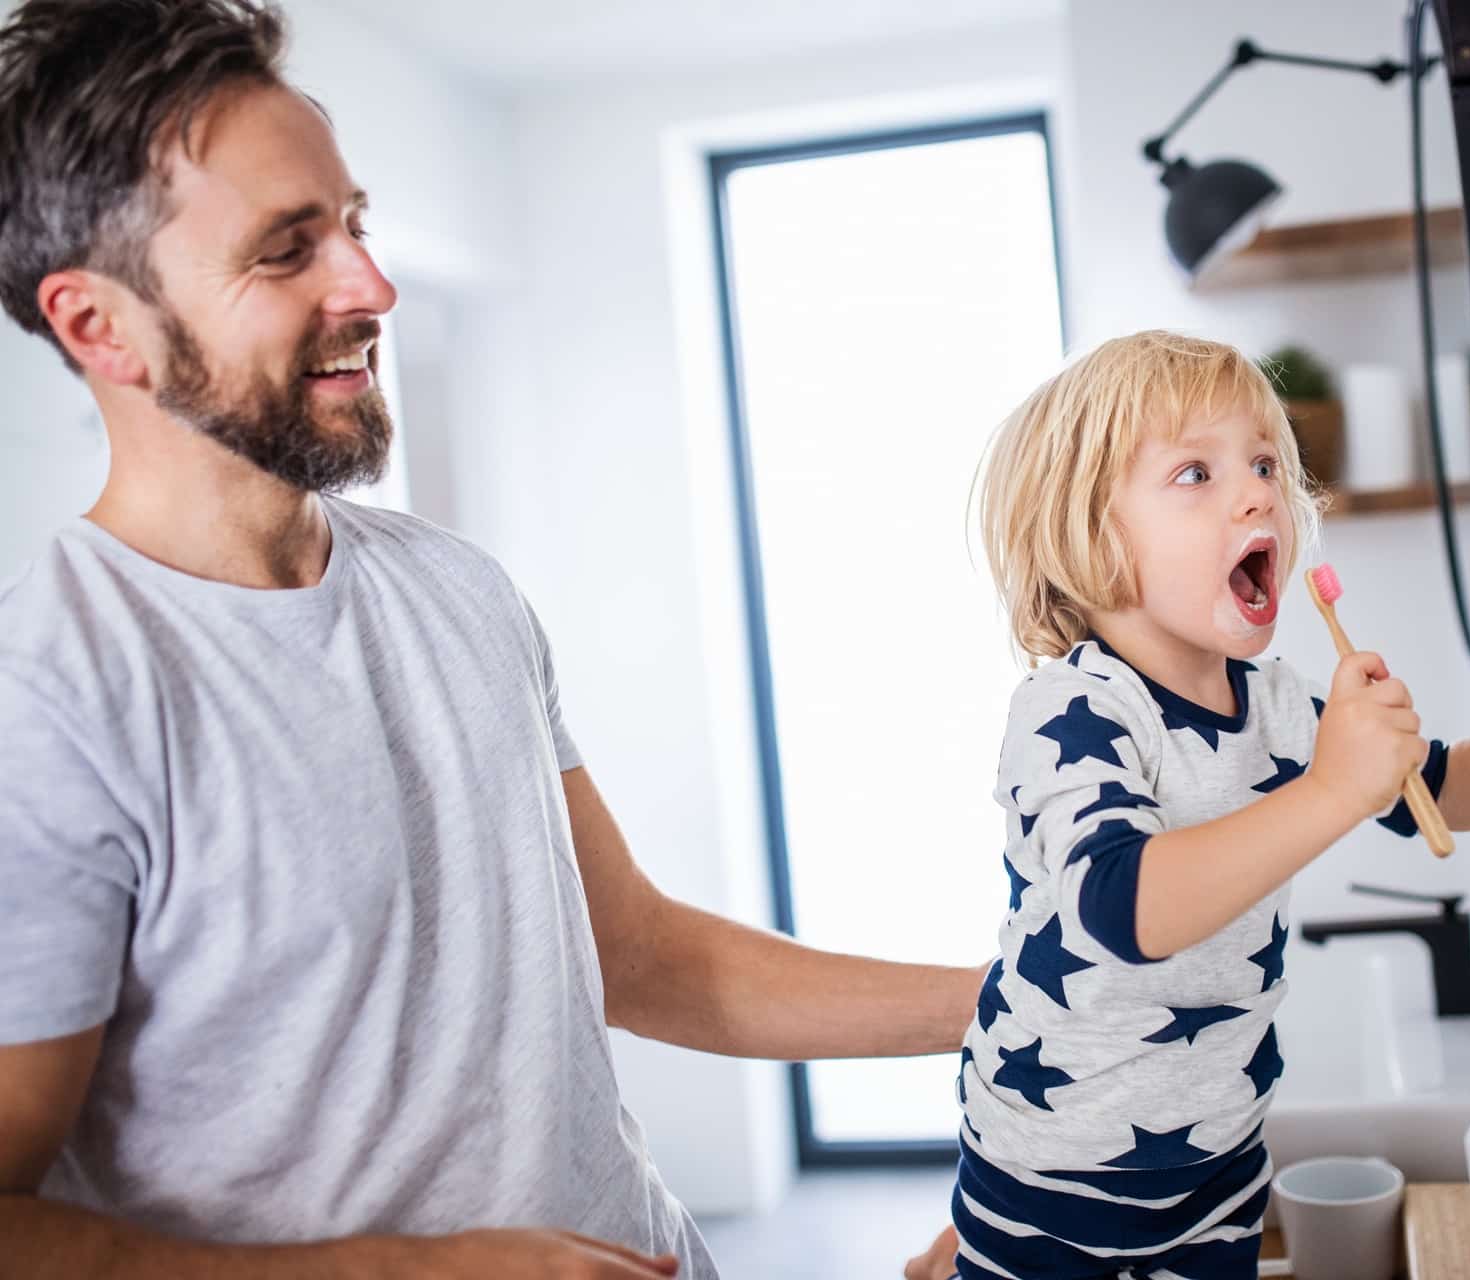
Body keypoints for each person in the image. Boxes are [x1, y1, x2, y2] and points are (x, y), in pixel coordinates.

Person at [0, 3, 979, 1276]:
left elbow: (634, 951)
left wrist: (1022, 1000)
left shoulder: (456, 589)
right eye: (286, 250)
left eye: (352, 221)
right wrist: (410, 1269)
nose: (372, 285)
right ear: (98, 326)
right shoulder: (52, 697)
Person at [936, 331, 1470, 1277]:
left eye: (1262, 463)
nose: (1257, 492)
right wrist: (1335, 786)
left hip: (1220, 1166)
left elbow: (1435, 790)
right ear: (1093, 533)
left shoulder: (1278, 704)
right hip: (1053, 1175)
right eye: (1195, 474)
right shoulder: (1076, 708)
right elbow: (1124, 907)